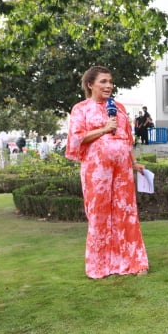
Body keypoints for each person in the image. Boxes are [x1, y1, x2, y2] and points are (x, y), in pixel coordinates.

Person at [65, 65, 149, 279]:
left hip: (122, 169)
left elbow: (127, 139)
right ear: (90, 84)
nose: (109, 85)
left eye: (110, 82)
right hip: (96, 170)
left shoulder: (119, 108)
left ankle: (134, 262)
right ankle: (100, 266)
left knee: (126, 211)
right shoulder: (81, 109)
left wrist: (134, 163)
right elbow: (76, 138)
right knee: (99, 213)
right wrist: (103, 129)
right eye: (103, 81)